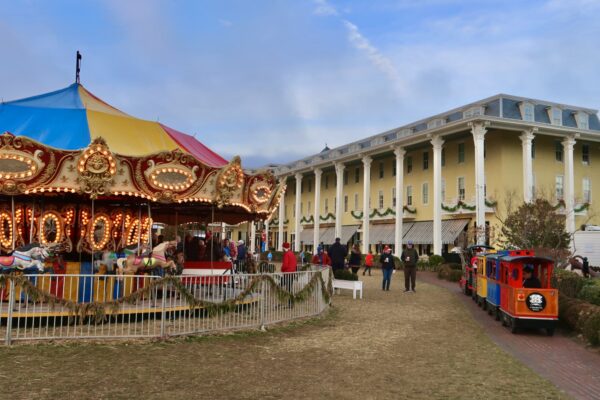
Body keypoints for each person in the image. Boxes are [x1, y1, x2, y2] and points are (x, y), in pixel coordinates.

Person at [281, 242, 297, 307]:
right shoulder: (292, 253)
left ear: (284, 248)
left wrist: (282, 269)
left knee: (288, 288)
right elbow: (295, 263)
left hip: (287, 273)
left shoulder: (286, 254)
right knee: (288, 287)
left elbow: (285, 265)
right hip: (292, 273)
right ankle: (289, 302)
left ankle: (290, 303)